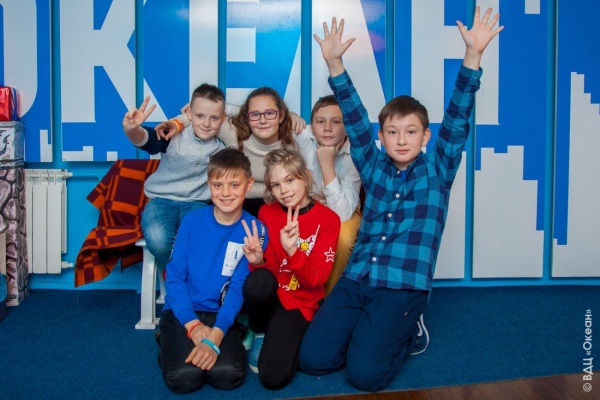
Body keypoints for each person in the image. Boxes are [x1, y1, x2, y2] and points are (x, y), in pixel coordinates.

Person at [299, 8, 504, 391]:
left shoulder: (438, 169)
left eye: (411, 131)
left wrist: (473, 55)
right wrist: (335, 63)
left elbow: (458, 117)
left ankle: (408, 330)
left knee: (365, 376)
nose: (402, 139)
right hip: (358, 277)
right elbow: (354, 118)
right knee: (313, 360)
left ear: (425, 137)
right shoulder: (373, 165)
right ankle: (372, 331)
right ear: (382, 137)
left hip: (401, 284)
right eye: (392, 132)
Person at [157, 148, 269, 394]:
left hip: (222, 314)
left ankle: (215, 338)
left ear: (249, 184)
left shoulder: (256, 230)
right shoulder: (192, 220)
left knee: (227, 376)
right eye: (218, 185)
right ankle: (167, 337)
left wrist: (215, 335)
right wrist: (193, 326)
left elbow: (238, 287)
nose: (226, 193)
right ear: (209, 185)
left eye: (234, 185)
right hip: (183, 310)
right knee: (185, 379)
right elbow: (174, 276)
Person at [240, 148, 341, 390]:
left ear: (305, 178)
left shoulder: (328, 220)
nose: (283, 190)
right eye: (276, 185)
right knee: (257, 281)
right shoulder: (266, 212)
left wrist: (293, 251)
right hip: (272, 292)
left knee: (273, 377)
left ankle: (279, 334)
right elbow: (268, 272)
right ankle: (259, 330)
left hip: (299, 301)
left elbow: (315, 280)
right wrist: (258, 261)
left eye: (290, 180)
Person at [122, 84, 227, 277]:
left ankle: (181, 278)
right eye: (200, 116)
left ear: (223, 119)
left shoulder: (222, 147)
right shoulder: (174, 133)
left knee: (203, 240)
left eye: (214, 118)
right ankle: (181, 277)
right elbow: (148, 140)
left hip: (197, 203)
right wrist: (131, 130)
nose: (206, 123)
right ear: (189, 114)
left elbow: (243, 115)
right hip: (161, 201)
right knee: (159, 239)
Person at [156, 88, 306, 217]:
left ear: (281, 116)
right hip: (236, 202)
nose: (262, 120)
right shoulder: (234, 134)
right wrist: (178, 122)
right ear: (247, 118)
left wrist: (290, 114)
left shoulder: (291, 146)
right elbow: (203, 114)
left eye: (270, 113)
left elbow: (292, 188)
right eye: (255, 114)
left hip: (273, 202)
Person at [295, 95, 362, 296]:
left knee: (343, 238)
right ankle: (297, 294)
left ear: (346, 126)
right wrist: (286, 115)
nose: (327, 128)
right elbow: (253, 114)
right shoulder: (302, 135)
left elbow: (342, 214)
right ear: (311, 126)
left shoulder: (355, 155)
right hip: (305, 205)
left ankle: (328, 298)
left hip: (342, 209)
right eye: (320, 121)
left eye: (336, 122)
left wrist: (326, 164)